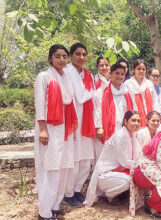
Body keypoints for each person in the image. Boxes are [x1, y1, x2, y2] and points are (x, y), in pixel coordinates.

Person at [34, 44, 77, 220]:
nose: (62, 59)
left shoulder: (66, 77)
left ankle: (55, 206)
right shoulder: (43, 77)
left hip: (64, 127)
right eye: (58, 56)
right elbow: (39, 104)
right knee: (50, 169)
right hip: (50, 127)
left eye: (64, 56)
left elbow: (70, 102)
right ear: (50, 58)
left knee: (63, 168)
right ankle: (44, 212)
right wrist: (43, 129)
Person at [84, 111, 143, 206]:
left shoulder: (134, 135)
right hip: (106, 174)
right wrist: (142, 165)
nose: (136, 123)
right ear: (125, 121)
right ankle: (109, 194)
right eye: (133, 120)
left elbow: (139, 155)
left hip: (119, 171)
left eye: (138, 121)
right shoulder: (120, 136)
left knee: (138, 175)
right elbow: (124, 162)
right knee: (128, 181)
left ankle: (119, 193)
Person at [64, 42, 95, 206]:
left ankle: (77, 190)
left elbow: (91, 98)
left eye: (84, 54)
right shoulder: (66, 73)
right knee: (73, 159)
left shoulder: (88, 75)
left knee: (85, 158)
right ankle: (68, 193)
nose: (81, 57)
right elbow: (78, 96)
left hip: (87, 121)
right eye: (77, 54)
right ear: (70, 56)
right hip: (72, 121)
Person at [94, 63, 134, 147]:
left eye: (122, 74)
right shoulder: (102, 91)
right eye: (117, 73)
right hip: (107, 128)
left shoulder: (128, 91)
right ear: (110, 74)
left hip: (124, 127)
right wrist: (99, 127)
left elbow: (134, 108)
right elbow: (97, 110)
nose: (119, 76)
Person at [125, 59, 160, 127]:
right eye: (139, 69)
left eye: (143, 69)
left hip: (148, 119)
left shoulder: (149, 84)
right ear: (133, 69)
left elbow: (155, 102)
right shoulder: (128, 84)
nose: (141, 71)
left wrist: (156, 116)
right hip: (133, 120)